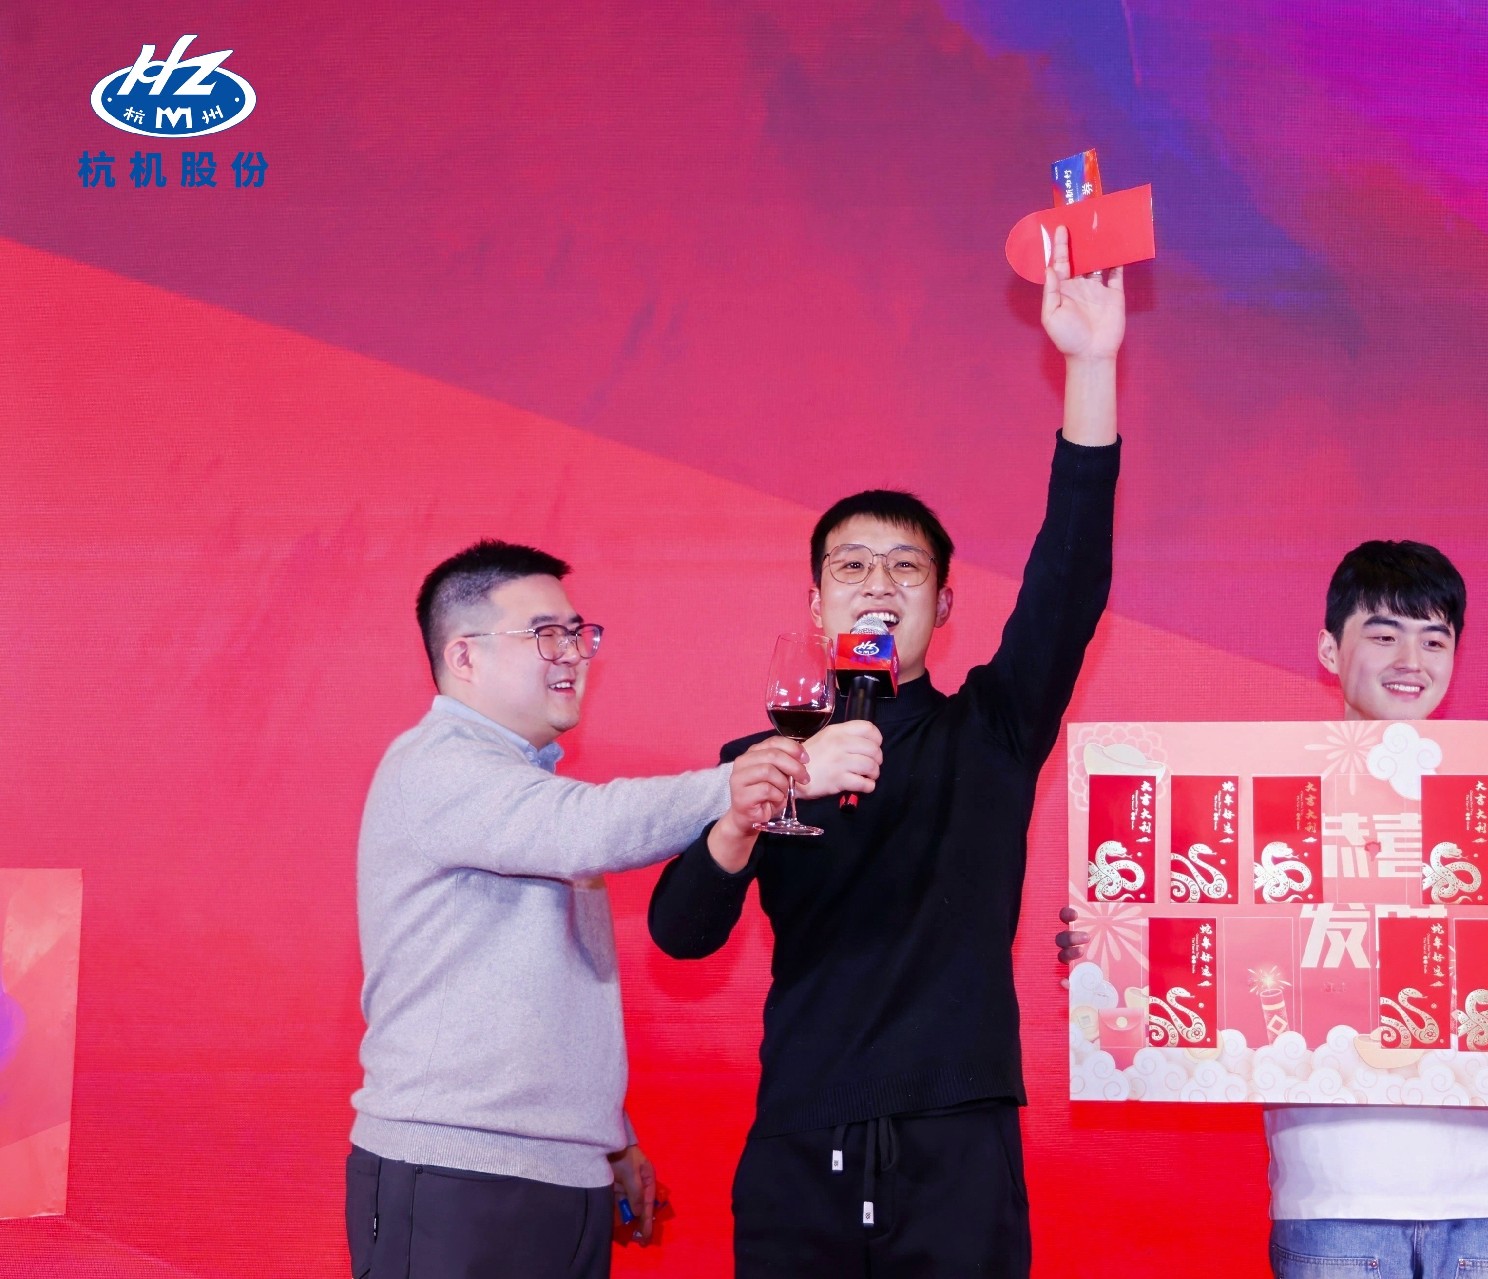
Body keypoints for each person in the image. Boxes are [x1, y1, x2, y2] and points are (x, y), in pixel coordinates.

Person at [648, 227, 1126, 1277]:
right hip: (799, 1137)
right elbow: (679, 933)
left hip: (956, 1139)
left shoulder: (993, 728)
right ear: (816, 605)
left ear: (943, 606)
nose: (877, 584)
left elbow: (1072, 575)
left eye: (905, 569)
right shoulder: (764, 756)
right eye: (851, 566)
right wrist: (738, 819)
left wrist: (1091, 365)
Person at [1058, 539, 1488, 1279]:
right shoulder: (1262, 804)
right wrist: (1112, 945)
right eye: (1384, 633)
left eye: (1434, 639)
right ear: (1328, 650)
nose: (1411, 660)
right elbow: (1192, 952)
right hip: (1334, 1202)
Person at [346, 539, 875, 1279]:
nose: (573, 654)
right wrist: (756, 778)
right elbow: (586, 825)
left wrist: (609, 1137)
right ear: (463, 656)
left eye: (578, 633)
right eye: (545, 635)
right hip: (453, 1176)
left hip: (562, 1180)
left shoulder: (520, 785)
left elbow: (541, 991)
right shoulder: (437, 764)